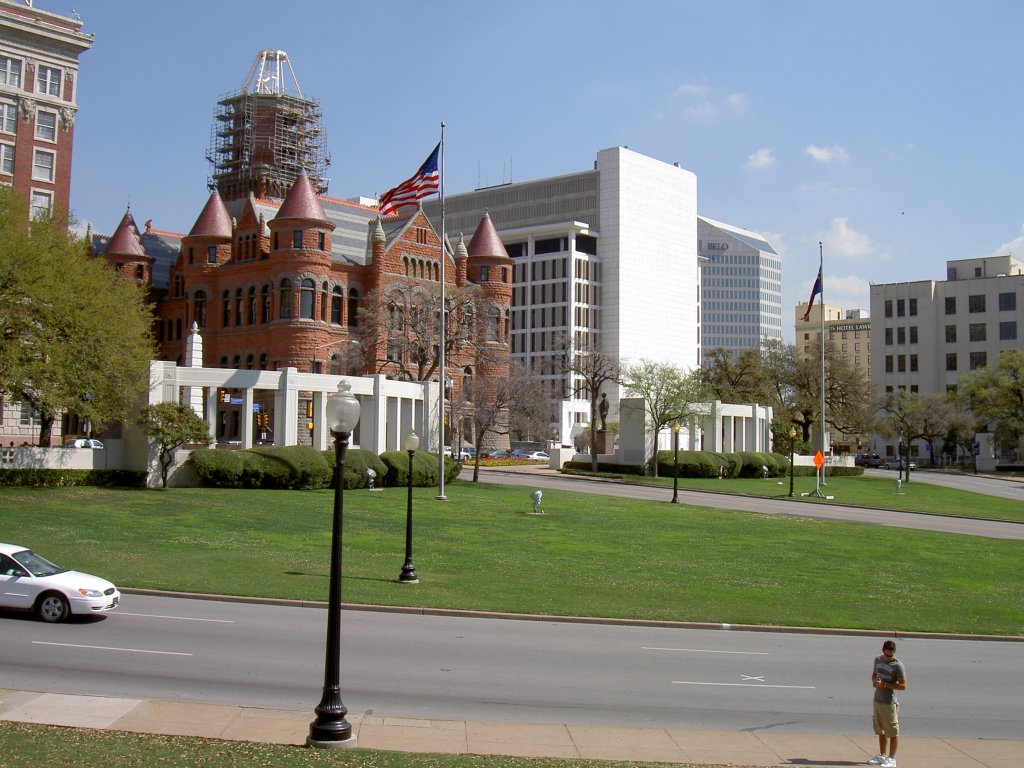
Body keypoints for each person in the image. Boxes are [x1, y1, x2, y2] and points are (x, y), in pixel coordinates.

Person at [869, 639, 907, 767]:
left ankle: (892, 758)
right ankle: (882, 755)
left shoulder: (898, 665)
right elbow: (874, 674)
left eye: (891, 655)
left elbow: (903, 686)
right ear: (883, 651)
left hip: (889, 703)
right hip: (878, 700)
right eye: (886, 655)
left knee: (893, 731)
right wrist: (874, 681)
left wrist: (885, 684)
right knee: (880, 730)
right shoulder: (877, 660)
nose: (888, 657)